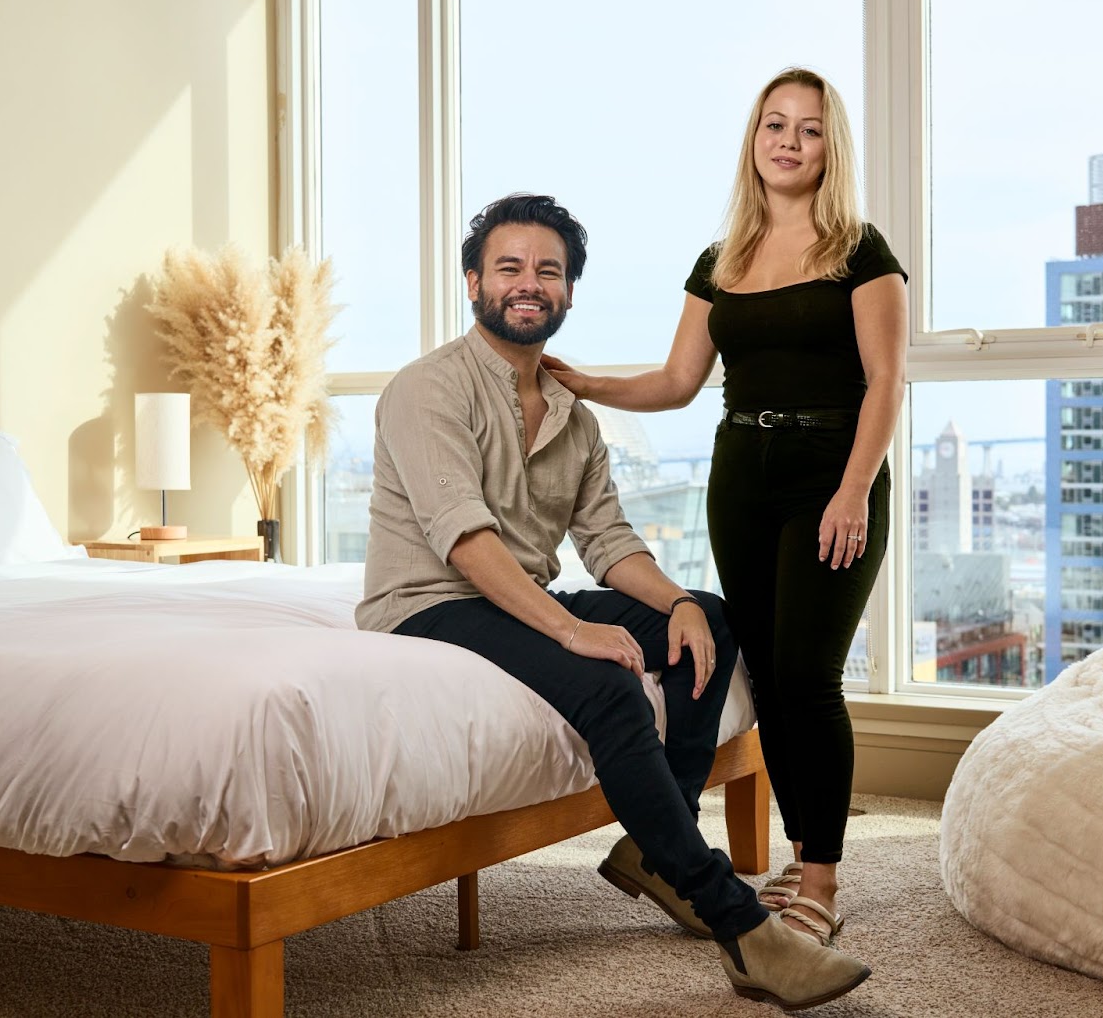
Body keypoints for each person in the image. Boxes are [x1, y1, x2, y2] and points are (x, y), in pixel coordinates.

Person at [357, 193, 871, 1010]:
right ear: (472, 283)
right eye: (510, 267)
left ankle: (649, 849)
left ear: (566, 293)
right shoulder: (428, 390)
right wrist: (572, 630)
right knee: (608, 686)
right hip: (431, 600)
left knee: (712, 622)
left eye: (548, 271)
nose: (529, 283)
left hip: (520, 592)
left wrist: (679, 605)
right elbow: (464, 542)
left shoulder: (572, 416)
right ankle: (743, 928)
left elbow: (608, 541)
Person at [542, 68, 908, 946]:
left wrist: (854, 488)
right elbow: (677, 381)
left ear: (831, 147)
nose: (789, 141)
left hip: (833, 468)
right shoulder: (722, 259)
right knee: (768, 674)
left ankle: (820, 877)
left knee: (808, 675)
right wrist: (586, 382)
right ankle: (796, 852)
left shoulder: (860, 248)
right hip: (741, 470)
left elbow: (888, 379)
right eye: (774, 125)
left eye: (810, 129)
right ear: (753, 140)